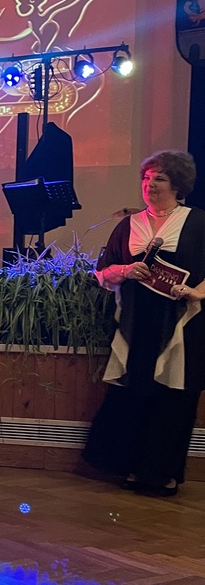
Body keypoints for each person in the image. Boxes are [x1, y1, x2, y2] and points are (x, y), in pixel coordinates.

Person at [83, 150, 201, 497]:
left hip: (180, 324)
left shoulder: (198, 222)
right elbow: (103, 272)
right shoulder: (128, 225)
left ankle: (162, 473)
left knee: (173, 399)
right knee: (135, 394)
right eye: (146, 178)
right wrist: (124, 270)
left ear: (177, 184)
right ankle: (133, 467)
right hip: (136, 323)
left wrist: (196, 292)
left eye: (159, 178)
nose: (150, 185)